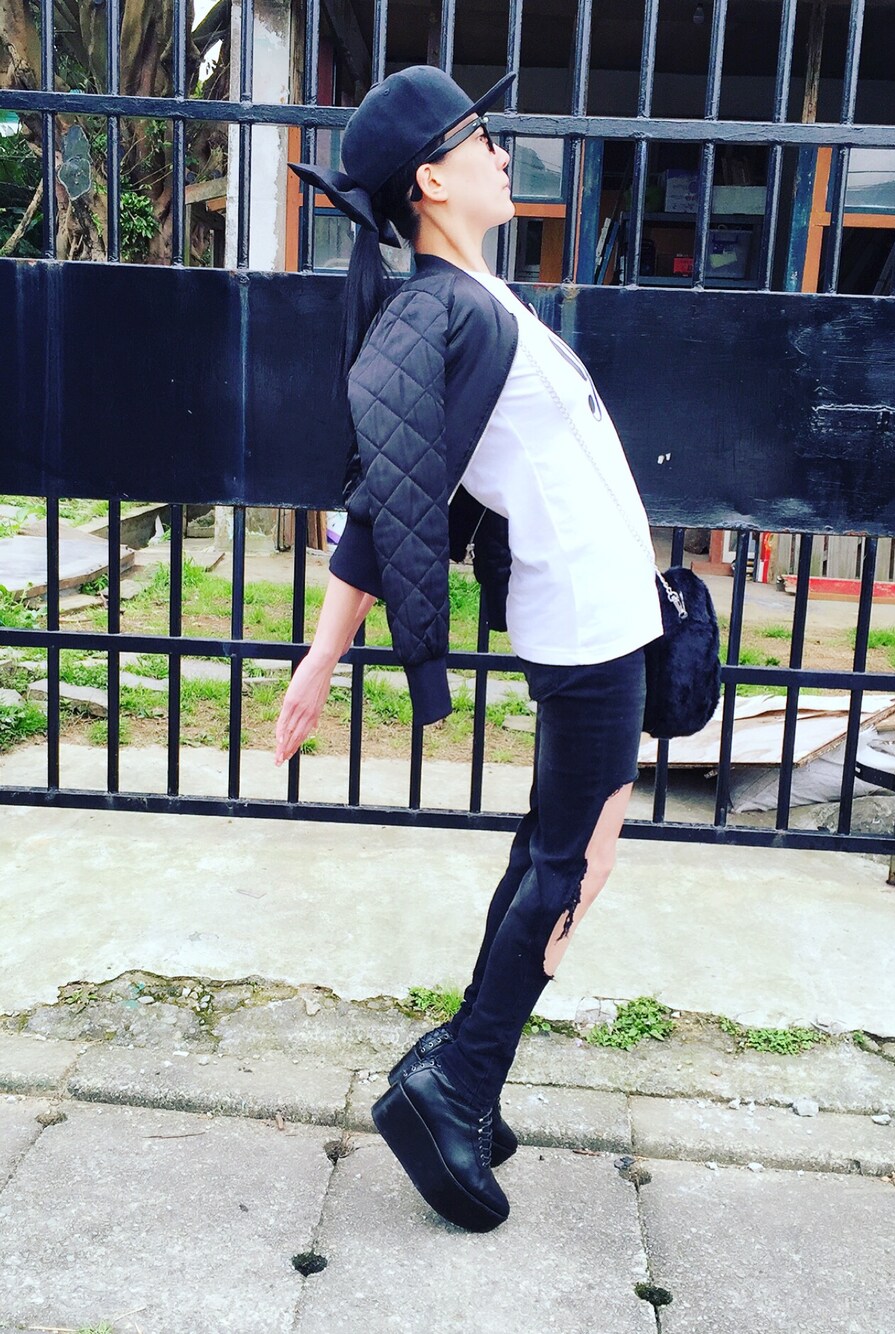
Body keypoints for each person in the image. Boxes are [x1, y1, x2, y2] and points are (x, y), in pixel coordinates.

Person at [274, 65, 663, 1233]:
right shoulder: (454, 312)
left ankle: (462, 1068)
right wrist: (322, 652)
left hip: (602, 618)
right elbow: (396, 499)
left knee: (558, 852)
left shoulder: (480, 299)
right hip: (586, 630)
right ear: (433, 181)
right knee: (574, 863)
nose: (502, 152)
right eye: (481, 138)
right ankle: (457, 1084)